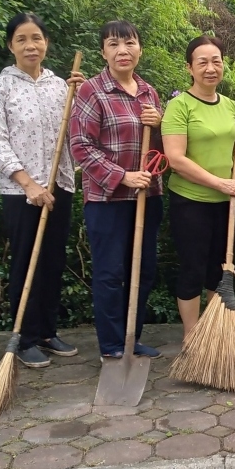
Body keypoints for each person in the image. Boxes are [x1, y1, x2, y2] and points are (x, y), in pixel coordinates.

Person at [0, 12, 84, 368]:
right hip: (22, 191)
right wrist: (28, 184)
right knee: (26, 262)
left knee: (53, 261)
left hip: (60, 184)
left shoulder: (61, 86)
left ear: (46, 43)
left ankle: (46, 331)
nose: (31, 45)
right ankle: (24, 337)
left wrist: (79, 95)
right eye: (22, 39)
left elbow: (77, 132)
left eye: (37, 38)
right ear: (11, 45)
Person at [69, 20, 164, 360]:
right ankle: (111, 346)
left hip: (147, 197)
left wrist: (159, 127)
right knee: (111, 273)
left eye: (129, 43)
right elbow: (80, 145)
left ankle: (131, 338)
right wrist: (123, 175)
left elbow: (160, 151)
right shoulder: (92, 91)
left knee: (143, 269)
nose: (122, 50)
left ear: (140, 48)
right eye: (113, 44)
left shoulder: (149, 93)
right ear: (103, 52)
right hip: (107, 199)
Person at [160, 36, 235, 343]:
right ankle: (191, 335)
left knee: (218, 270)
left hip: (227, 203)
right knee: (193, 268)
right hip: (191, 202)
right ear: (190, 68)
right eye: (202, 62)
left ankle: (214, 331)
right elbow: (176, 159)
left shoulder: (233, 105)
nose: (211, 68)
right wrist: (218, 183)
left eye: (216, 61)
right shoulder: (178, 105)